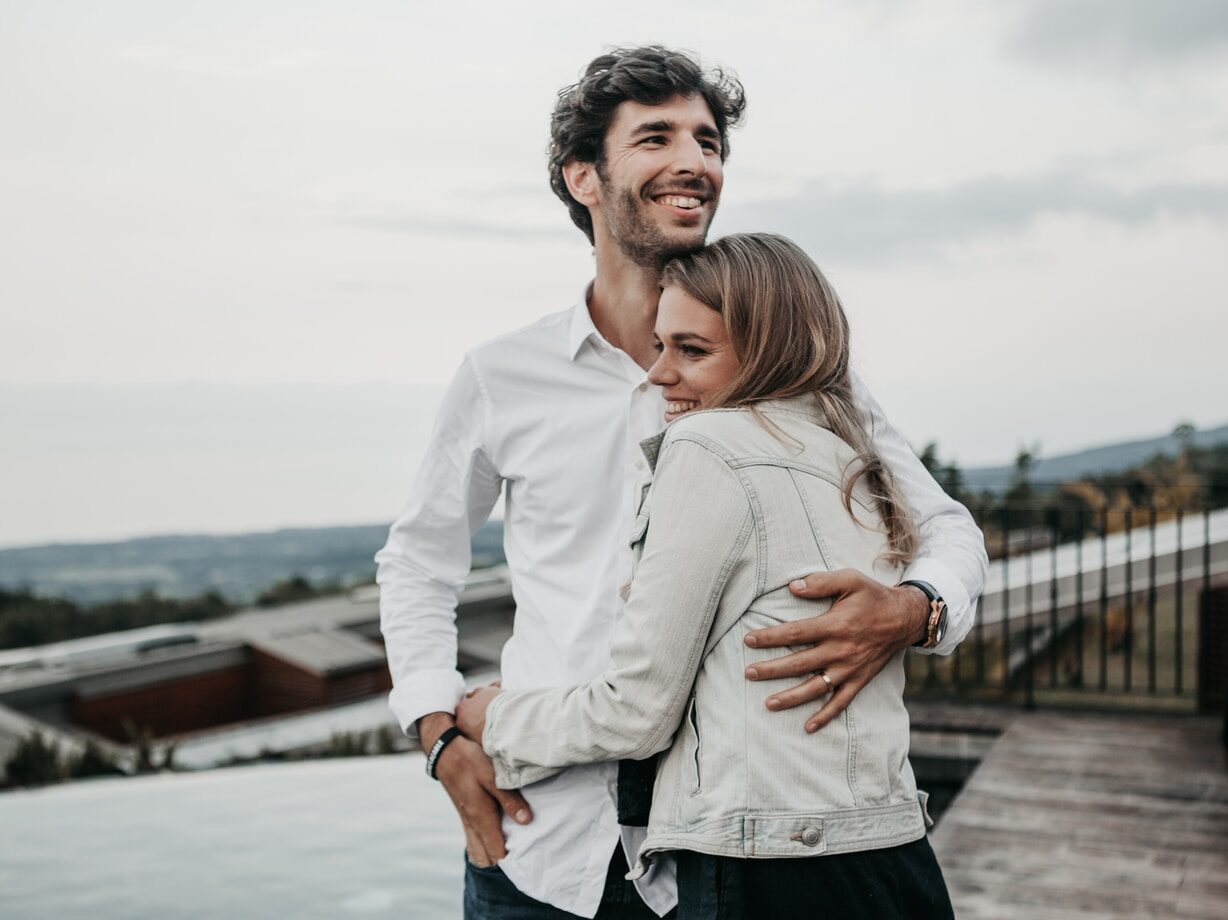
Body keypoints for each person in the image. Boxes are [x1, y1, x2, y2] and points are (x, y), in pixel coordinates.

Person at [375, 46, 987, 919]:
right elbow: (418, 563)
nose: (695, 161)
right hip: (539, 843)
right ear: (582, 176)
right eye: (657, 137)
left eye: (708, 141)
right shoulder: (501, 374)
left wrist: (914, 609)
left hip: (717, 863)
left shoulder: (796, 374)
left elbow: (946, 527)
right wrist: (439, 735)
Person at [455, 232, 956, 919]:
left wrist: (492, 719)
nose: (659, 374)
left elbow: (637, 712)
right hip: (893, 850)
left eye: (691, 351)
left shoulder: (706, 446)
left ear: (771, 349)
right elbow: (949, 530)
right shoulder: (851, 453)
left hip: (770, 871)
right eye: (661, 346)